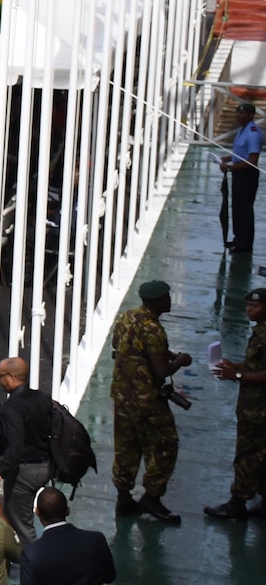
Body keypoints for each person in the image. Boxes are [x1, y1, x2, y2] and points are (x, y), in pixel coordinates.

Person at [110, 279, 191, 522]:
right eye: (166, 297)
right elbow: (161, 371)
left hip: (122, 395)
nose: (169, 300)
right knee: (165, 445)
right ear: (157, 302)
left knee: (126, 446)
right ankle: (151, 498)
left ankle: (123, 499)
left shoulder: (128, 317)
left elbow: (118, 345)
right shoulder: (154, 329)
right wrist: (180, 361)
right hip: (146, 400)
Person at [203, 285, 266, 520]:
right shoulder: (261, 331)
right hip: (254, 406)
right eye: (248, 305)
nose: (249, 310)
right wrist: (237, 366)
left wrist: (237, 376)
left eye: (255, 306)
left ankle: (237, 502)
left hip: (258, 409)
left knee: (248, 453)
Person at [0, 356, 54, 545]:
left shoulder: (12, 407)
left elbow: (16, 445)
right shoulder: (41, 398)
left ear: (12, 377)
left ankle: (35, 562)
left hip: (25, 471)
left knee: (22, 523)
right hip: (45, 465)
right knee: (21, 515)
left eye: (0, 376)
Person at [17, 488, 115, 585]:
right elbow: (109, 577)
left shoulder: (32, 554)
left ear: (37, 513)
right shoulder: (96, 540)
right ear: (67, 511)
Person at [221, 101, 260, 252]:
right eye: (238, 112)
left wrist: (230, 168)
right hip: (238, 173)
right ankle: (238, 239)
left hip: (246, 175)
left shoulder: (253, 133)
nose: (238, 115)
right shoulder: (242, 130)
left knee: (244, 210)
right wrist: (226, 159)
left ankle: (245, 245)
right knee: (237, 208)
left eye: (242, 113)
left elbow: (252, 162)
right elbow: (239, 155)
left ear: (250, 115)